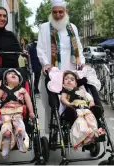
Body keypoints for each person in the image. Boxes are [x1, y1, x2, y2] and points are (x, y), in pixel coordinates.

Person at [36, 0, 86, 133]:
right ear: (51, 13)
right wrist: (46, 64)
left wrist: (82, 61)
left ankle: (74, 129)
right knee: (52, 105)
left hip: (70, 73)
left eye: (61, 12)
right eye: (55, 12)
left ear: (66, 12)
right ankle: (53, 131)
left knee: (73, 100)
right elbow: (40, 49)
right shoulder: (44, 27)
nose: (58, 15)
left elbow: (79, 49)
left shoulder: (72, 28)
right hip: (53, 73)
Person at [0, 68, 35, 157]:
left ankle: (20, 136)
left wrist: (31, 112)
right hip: (5, 112)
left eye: (16, 74)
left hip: (18, 111)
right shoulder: (2, 89)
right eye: (10, 73)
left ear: (19, 81)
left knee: (19, 124)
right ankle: (6, 139)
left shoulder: (22, 90)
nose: (13, 74)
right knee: (6, 125)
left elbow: (28, 101)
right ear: (5, 80)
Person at [60, 71, 104, 149]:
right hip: (74, 109)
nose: (69, 80)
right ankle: (86, 133)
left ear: (76, 84)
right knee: (81, 121)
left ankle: (95, 132)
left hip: (85, 108)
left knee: (91, 118)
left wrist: (91, 101)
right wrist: (68, 104)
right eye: (66, 79)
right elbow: (62, 99)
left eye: (72, 79)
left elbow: (88, 95)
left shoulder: (80, 90)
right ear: (63, 83)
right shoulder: (66, 90)